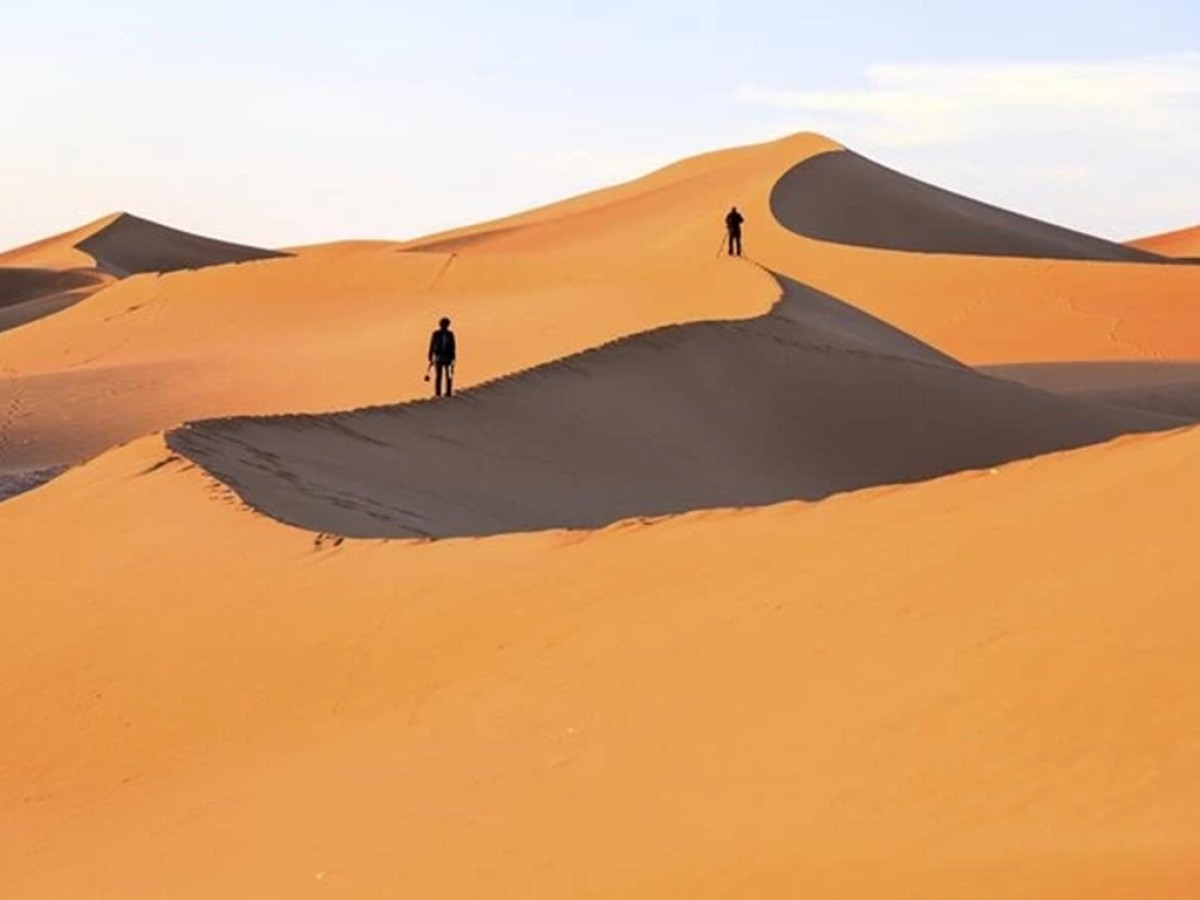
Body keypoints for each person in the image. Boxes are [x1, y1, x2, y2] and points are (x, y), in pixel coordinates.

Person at [427, 316, 457, 397]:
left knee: (448, 375)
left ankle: (448, 392)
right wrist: (430, 356)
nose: (444, 326)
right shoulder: (436, 334)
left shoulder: (450, 334)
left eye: (446, 324)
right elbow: (432, 345)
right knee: (439, 376)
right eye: (443, 324)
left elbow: (453, 346)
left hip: (448, 358)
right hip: (439, 357)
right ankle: (438, 393)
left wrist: (453, 358)